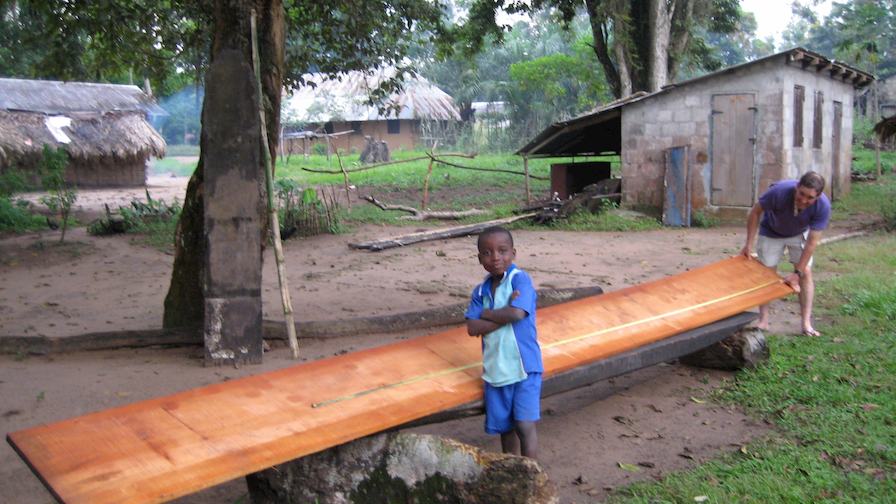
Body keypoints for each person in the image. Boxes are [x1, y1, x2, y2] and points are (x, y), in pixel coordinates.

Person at [465, 226, 542, 459]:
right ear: (480, 259)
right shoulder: (480, 291)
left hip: (524, 367)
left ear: (513, 253)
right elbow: (472, 328)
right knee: (505, 428)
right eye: (487, 253)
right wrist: (504, 313)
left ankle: (531, 474)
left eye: (502, 251)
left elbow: (518, 315)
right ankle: (512, 469)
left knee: (524, 425)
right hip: (496, 370)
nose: (496, 257)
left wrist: (487, 314)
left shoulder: (520, 280)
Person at [741, 171, 831, 336]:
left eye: (810, 197)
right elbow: (755, 212)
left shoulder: (823, 206)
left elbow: (812, 242)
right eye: (801, 194)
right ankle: (764, 320)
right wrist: (748, 244)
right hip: (771, 230)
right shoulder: (778, 192)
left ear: (817, 197)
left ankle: (806, 324)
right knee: (766, 273)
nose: (803, 200)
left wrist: (798, 272)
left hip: (799, 233)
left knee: (806, 273)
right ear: (797, 187)